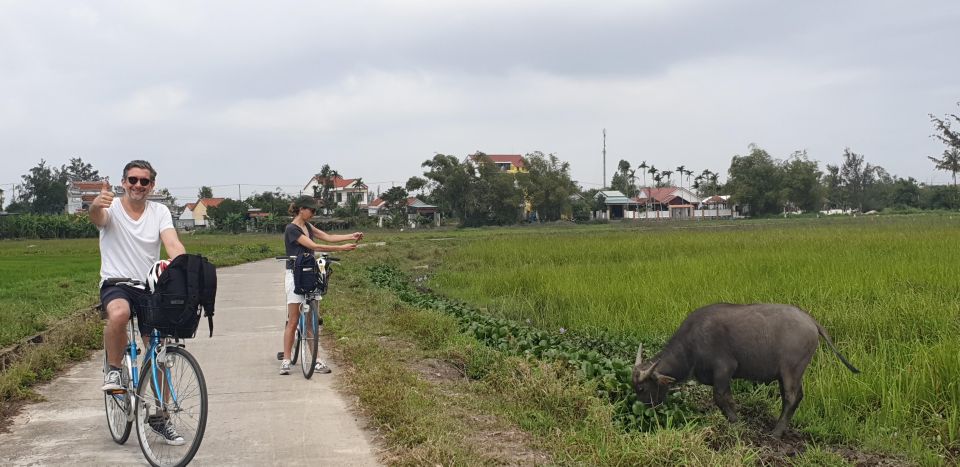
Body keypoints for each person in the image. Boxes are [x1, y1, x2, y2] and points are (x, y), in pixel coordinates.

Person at [91, 160, 187, 446]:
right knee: (118, 314)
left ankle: (160, 418)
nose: (138, 185)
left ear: (151, 186)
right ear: (124, 182)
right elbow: (97, 218)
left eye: (144, 181)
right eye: (133, 180)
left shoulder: (159, 211)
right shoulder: (111, 208)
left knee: (159, 350)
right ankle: (114, 369)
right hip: (116, 283)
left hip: (149, 285)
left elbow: (172, 243)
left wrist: (182, 266)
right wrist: (96, 204)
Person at [280, 196, 362, 375]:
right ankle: (286, 359)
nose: (313, 213)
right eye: (312, 210)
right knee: (293, 320)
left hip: (310, 273)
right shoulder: (292, 229)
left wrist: (351, 236)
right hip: (295, 274)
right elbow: (313, 245)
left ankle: (315, 359)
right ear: (301, 209)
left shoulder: (308, 226)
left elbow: (327, 237)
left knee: (311, 321)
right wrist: (342, 249)